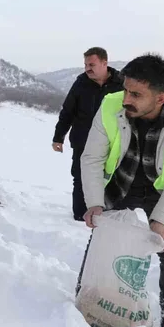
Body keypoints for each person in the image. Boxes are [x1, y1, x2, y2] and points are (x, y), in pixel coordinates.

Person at [77, 53, 164, 327]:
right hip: (122, 184)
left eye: (136, 94)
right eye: (126, 90)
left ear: (161, 98)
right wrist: (95, 203)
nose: (126, 99)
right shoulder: (111, 105)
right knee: (103, 235)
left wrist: (161, 221)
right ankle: (85, 296)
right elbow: (92, 158)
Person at [52, 47, 123, 221]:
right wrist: (58, 137)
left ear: (104, 63)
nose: (87, 69)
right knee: (80, 176)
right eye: (85, 65)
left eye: (91, 65)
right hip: (83, 140)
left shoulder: (121, 84)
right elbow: (67, 111)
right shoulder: (81, 83)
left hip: (113, 142)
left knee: (113, 178)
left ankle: (107, 213)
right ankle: (80, 215)